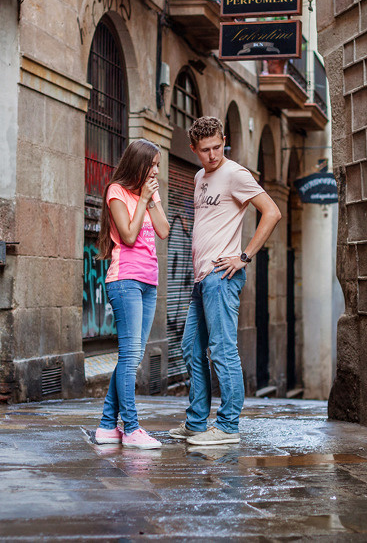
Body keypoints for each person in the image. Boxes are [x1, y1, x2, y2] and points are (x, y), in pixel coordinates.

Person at [169, 117, 281, 445]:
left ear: (224, 141)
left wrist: (244, 256)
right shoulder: (198, 177)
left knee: (222, 349)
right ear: (194, 149)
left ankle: (229, 426)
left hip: (222, 276)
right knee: (192, 347)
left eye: (218, 146)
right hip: (202, 278)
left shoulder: (235, 174)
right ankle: (196, 422)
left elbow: (271, 212)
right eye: (205, 150)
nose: (213, 154)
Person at [93, 139, 169, 449]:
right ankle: (132, 428)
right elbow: (127, 235)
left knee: (132, 356)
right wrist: (143, 200)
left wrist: (151, 200)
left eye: (159, 166)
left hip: (149, 283)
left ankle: (107, 426)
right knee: (129, 357)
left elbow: (163, 230)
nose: (157, 171)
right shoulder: (116, 192)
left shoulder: (148, 195)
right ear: (139, 165)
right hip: (125, 281)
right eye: (153, 165)